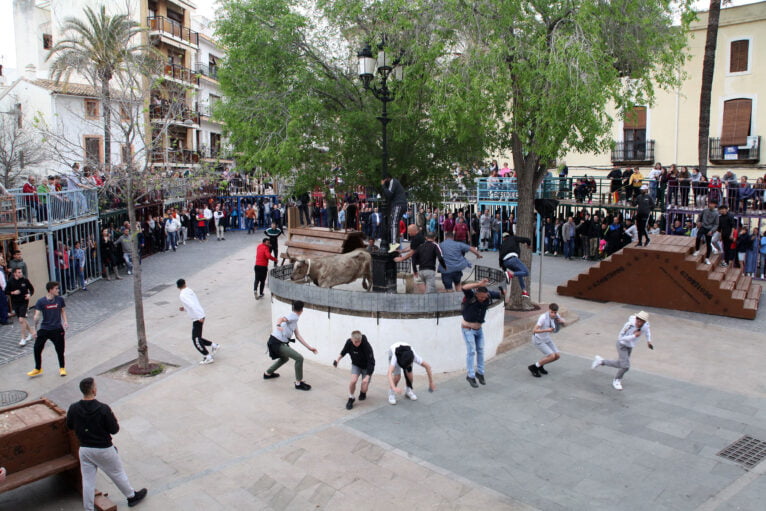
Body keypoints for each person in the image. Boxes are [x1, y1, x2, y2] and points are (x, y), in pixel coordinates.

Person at [66, 377, 147, 510]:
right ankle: (131, 496)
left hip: (85, 449)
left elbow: (69, 425)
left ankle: (88, 508)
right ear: (93, 390)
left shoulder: (74, 408)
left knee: (87, 480)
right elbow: (114, 429)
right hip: (103, 448)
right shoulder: (102, 409)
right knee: (117, 473)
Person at [591, 310, 654, 391]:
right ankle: (617, 380)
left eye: (641, 321)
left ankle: (601, 361)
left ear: (644, 322)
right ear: (636, 318)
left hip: (630, 346)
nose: (638, 322)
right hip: (622, 345)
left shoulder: (645, 325)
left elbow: (647, 331)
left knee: (620, 364)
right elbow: (620, 338)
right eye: (638, 319)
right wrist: (634, 336)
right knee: (625, 366)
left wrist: (649, 341)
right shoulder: (628, 325)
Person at [264, 300, 318, 390]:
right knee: (299, 358)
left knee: (284, 358)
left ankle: (268, 373)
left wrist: (310, 348)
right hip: (276, 343)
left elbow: (298, 336)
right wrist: (278, 325)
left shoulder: (293, 320)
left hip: (274, 341)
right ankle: (298, 383)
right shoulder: (294, 317)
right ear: (302, 310)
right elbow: (281, 319)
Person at [461, 279, 503, 387]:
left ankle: (480, 373)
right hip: (468, 329)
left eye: (484, 297)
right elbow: (464, 287)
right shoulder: (471, 296)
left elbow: (500, 295)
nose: (483, 299)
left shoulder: (487, 296)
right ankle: (470, 376)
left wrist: (503, 293)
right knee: (471, 351)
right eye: (481, 297)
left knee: (480, 350)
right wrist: (478, 284)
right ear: (476, 294)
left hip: (479, 330)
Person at [27, 281, 68, 377]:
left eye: (58, 288)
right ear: (50, 290)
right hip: (45, 329)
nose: (58, 290)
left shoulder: (60, 300)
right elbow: (37, 315)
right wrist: (35, 329)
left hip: (57, 329)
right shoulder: (41, 301)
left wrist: (65, 321)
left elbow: (63, 311)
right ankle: (38, 368)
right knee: (37, 348)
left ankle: (62, 368)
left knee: (60, 350)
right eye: (56, 289)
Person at [177, 279, 220, 365]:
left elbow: (191, 305)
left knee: (195, 339)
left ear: (178, 287)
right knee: (198, 337)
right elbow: (193, 303)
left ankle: (207, 356)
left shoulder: (182, 295)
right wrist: (185, 308)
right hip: (200, 314)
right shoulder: (189, 290)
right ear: (185, 284)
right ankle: (214, 345)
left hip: (197, 317)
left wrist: (198, 316)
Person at [333, 331, 375, 410]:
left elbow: (371, 362)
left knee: (364, 387)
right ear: (351, 339)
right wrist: (337, 360)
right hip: (356, 365)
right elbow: (343, 352)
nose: (357, 343)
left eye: (359, 341)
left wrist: (367, 376)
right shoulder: (349, 343)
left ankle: (363, 393)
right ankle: (351, 397)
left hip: (366, 367)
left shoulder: (366, 346)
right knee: (353, 381)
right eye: (355, 342)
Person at [528, 303, 566, 377]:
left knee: (557, 356)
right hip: (538, 339)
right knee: (551, 356)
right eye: (552, 312)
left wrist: (562, 322)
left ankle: (540, 365)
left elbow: (563, 325)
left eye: (555, 312)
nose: (553, 314)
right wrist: (546, 330)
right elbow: (534, 331)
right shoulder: (543, 317)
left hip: (547, 339)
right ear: (549, 310)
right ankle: (534, 367)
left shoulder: (556, 316)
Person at [498, 232, 533, 298]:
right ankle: (511, 274)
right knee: (526, 272)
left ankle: (524, 290)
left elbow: (500, 259)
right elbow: (527, 239)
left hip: (506, 263)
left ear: (503, 238)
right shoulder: (513, 238)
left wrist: (505, 271)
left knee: (519, 272)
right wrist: (528, 245)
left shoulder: (502, 245)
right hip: (513, 259)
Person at [6, 267, 35, 345]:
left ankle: (23, 338)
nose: (21, 274)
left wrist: (29, 294)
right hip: (15, 302)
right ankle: (32, 332)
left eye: (21, 272)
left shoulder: (25, 280)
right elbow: (6, 291)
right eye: (19, 272)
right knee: (22, 320)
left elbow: (32, 289)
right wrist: (13, 292)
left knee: (21, 320)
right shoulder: (10, 281)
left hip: (24, 301)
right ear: (14, 273)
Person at [380, 176, 408, 251]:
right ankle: (395, 243)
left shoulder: (393, 181)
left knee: (393, 223)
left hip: (398, 204)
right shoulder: (395, 182)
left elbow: (389, 194)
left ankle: (394, 244)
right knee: (394, 223)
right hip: (400, 204)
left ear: (387, 178)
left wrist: (383, 186)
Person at [692, 199, 719, 265]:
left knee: (708, 243)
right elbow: (700, 217)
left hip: (709, 229)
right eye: (710, 203)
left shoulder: (716, 214)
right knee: (698, 237)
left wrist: (711, 231)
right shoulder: (705, 210)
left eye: (712, 204)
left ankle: (707, 258)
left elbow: (716, 224)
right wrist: (698, 222)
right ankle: (697, 250)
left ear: (715, 205)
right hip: (703, 227)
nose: (710, 205)